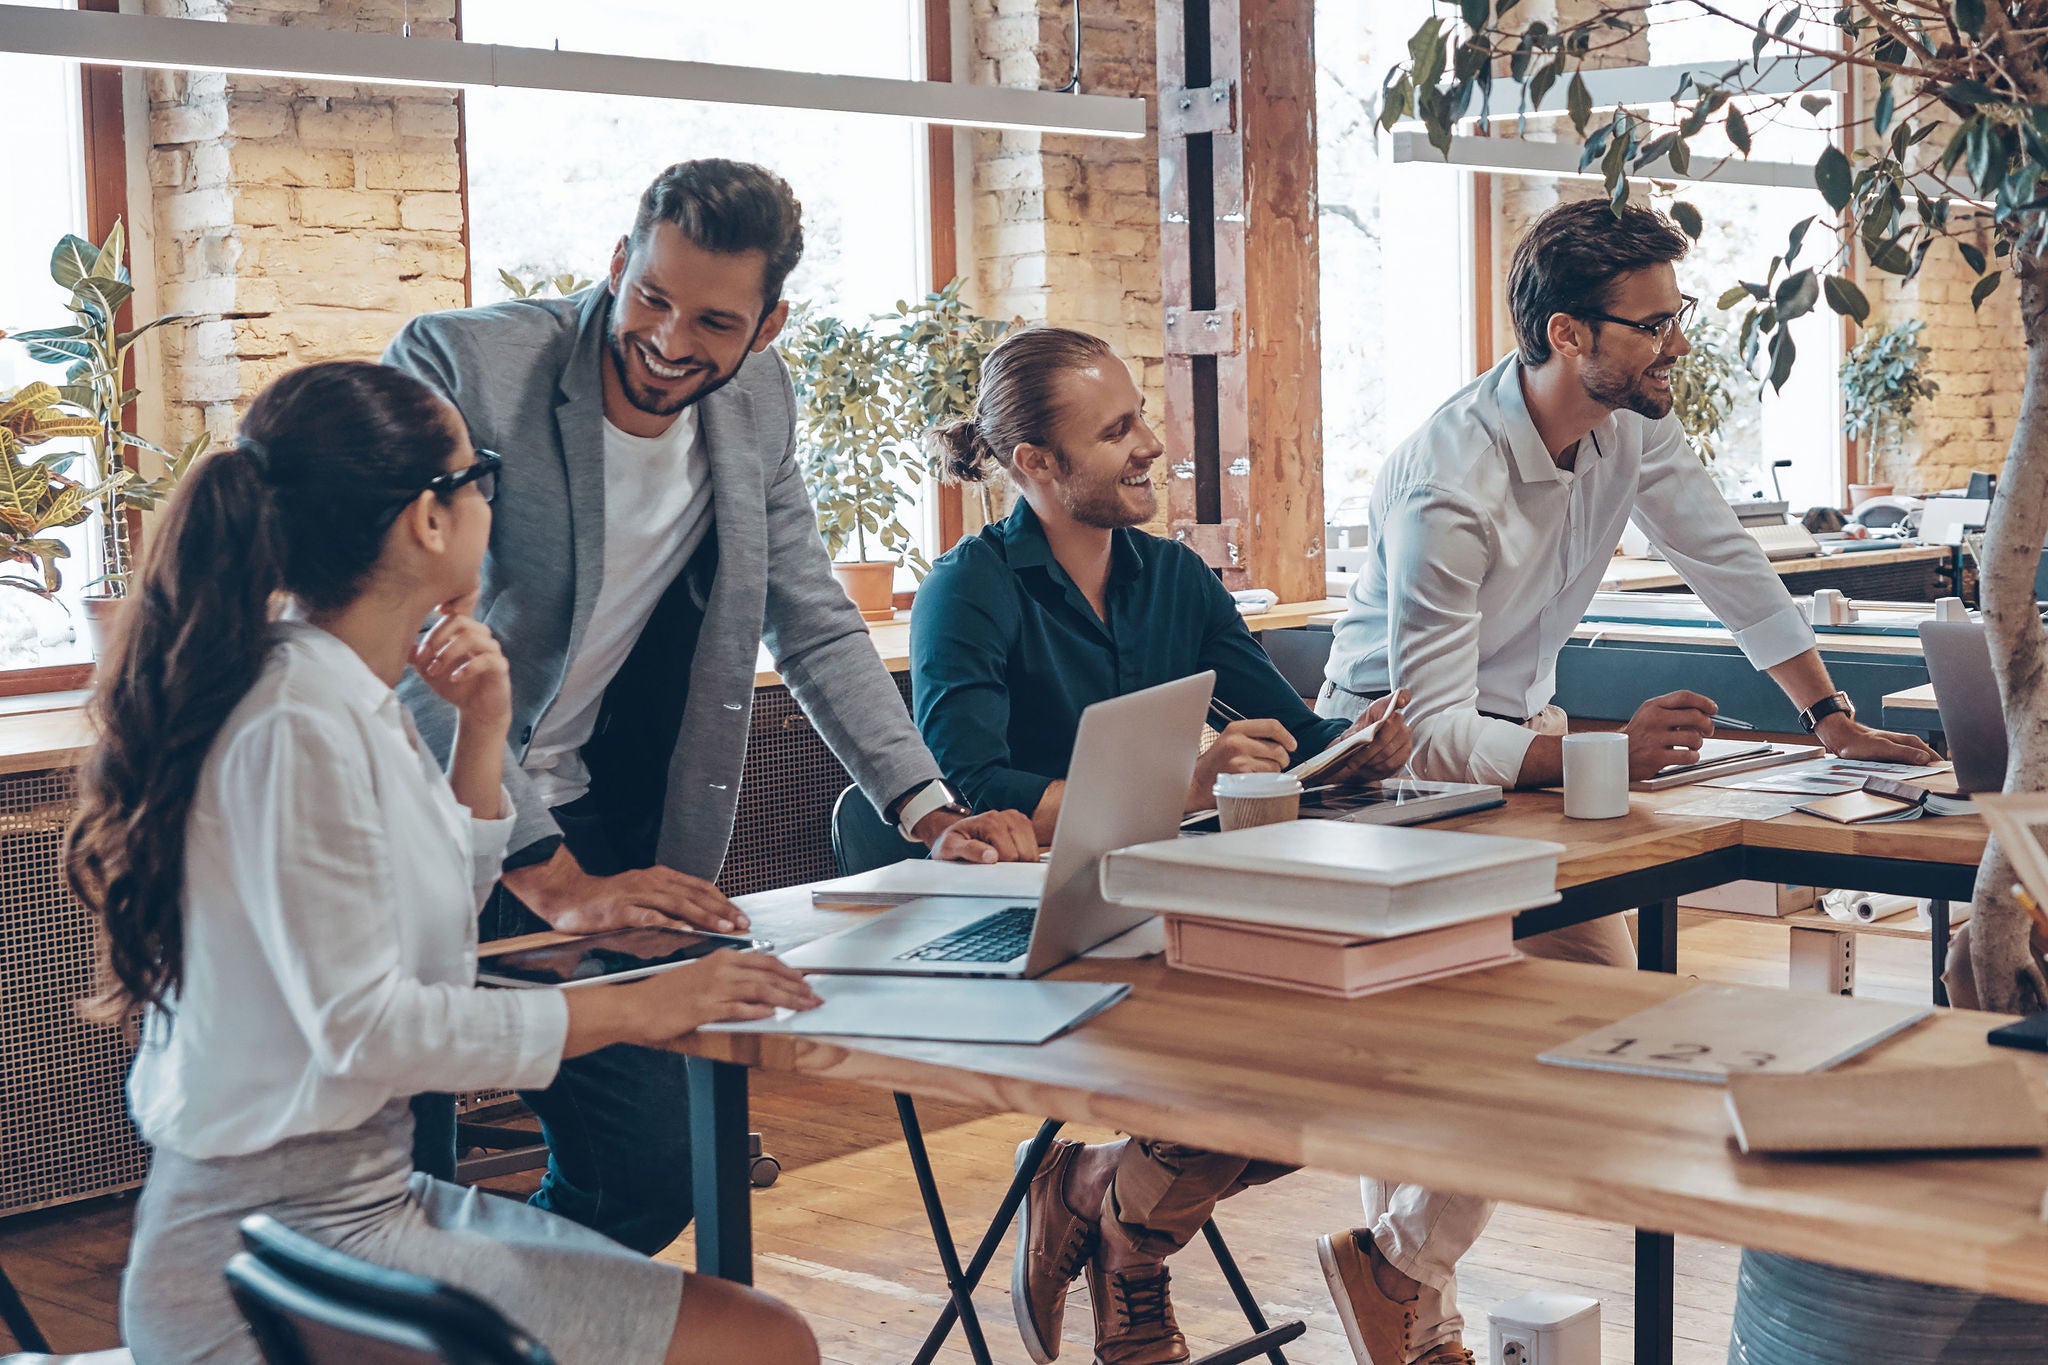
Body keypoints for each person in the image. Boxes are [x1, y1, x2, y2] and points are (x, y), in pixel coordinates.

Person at [64, 361, 824, 1365]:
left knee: (750, 1333)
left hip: (359, 1203)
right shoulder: (294, 722)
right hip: (266, 1254)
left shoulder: (337, 691)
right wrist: (649, 1004)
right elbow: (368, 1027)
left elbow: (421, 930)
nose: (487, 503)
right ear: (429, 520)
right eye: (480, 477)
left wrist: (481, 735)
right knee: (761, 1345)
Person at [1313, 198, 1940, 1365]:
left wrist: (1827, 714)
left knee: (1584, 1029)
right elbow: (1429, 726)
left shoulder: (1630, 425)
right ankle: (1412, 1296)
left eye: (1676, 315)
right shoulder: (1448, 486)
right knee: (1538, 1035)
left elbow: (1723, 558)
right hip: (1385, 776)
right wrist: (1592, 756)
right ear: (1565, 334)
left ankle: (1399, 1275)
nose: (1677, 345)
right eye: (1653, 324)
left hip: (1518, 754)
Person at [382, 158, 1035, 1253]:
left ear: (768, 326)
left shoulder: (756, 404)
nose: (670, 339)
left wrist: (927, 808)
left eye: (713, 321)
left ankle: (494, 1326)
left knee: (657, 1162)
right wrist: (551, 881)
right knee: (385, 1185)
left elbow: (812, 615)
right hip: (415, 814)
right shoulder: (464, 365)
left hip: (591, 822)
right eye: (650, 298)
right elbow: (401, 629)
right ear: (614, 266)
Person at [912, 325, 1413, 1365]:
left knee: (1346, 1064)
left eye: (1139, 419)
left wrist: (1356, 753)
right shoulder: (970, 587)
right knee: (1252, 1061)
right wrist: (1181, 783)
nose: (1148, 448)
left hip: (1164, 907)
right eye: (1116, 432)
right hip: (1023, 923)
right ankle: (1131, 1255)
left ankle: (1093, 1191)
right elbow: (974, 786)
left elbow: (1294, 733)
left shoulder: (1171, 578)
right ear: (1034, 467)